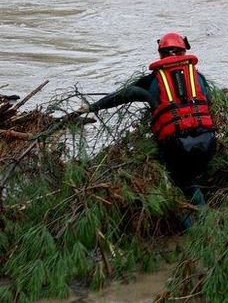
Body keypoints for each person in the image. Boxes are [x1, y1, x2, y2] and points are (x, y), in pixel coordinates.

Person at [81, 32, 217, 210]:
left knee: (182, 186)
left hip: (178, 146)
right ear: (184, 52)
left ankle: (199, 224)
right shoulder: (197, 77)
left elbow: (125, 95)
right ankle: (204, 203)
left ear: (161, 54)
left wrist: (92, 107)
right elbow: (209, 101)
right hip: (208, 141)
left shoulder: (153, 80)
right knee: (194, 177)